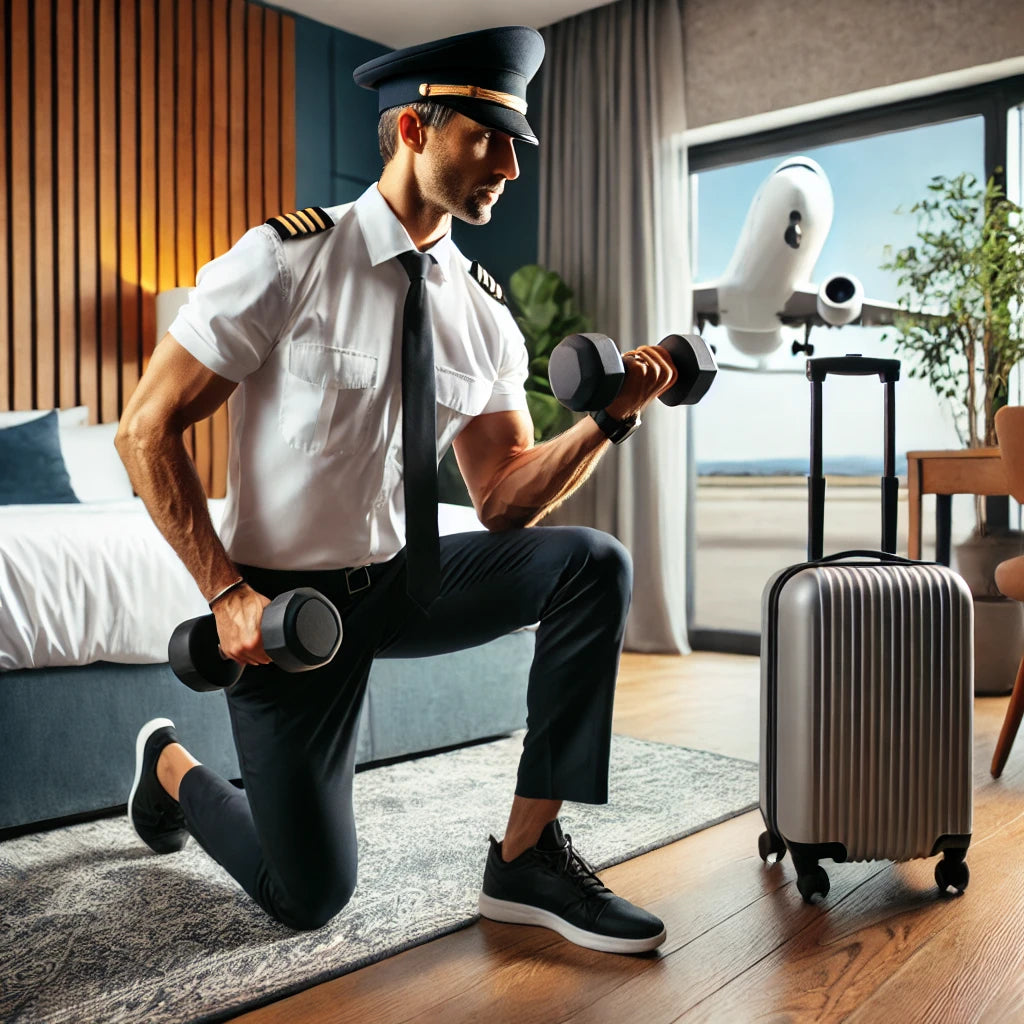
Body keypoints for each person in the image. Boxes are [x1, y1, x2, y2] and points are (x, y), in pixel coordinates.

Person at [117, 25, 677, 955]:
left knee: (592, 562)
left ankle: (527, 856)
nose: (508, 163)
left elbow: (500, 499)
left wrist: (607, 421)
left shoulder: (484, 313)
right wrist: (226, 596)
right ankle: (170, 766)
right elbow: (145, 430)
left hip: (407, 582)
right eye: (486, 137)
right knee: (306, 897)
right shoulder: (286, 262)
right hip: (286, 616)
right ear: (415, 129)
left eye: (516, 144)